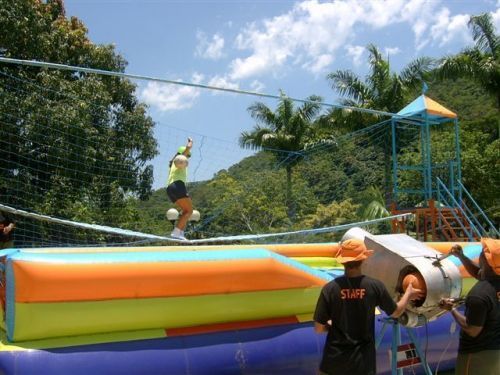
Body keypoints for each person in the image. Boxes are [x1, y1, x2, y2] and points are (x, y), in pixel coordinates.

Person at [313, 238, 421, 375]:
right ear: (363, 259)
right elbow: (396, 312)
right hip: (362, 364)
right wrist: (408, 294)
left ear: (343, 261)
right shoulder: (374, 286)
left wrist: (332, 327)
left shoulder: (330, 289)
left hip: (333, 363)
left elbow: (318, 328)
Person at [439, 238, 500, 375]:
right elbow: (482, 274)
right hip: (495, 353)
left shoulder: (479, 295)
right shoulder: (493, 283)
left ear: (486, 260)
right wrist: (461, 256)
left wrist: (452, 309)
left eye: (482, 254)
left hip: (476, 356)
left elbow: (472, 330)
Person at [166, 137, 194, 240]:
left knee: (185, 211)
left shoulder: (173, 163)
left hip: (170, 188)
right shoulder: (180, 158)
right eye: (188, 155)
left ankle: (180, 232)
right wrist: (191, 143)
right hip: (177, 185)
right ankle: (176, 232)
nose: (188, 157)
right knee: (189, 211)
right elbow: (186, 150)